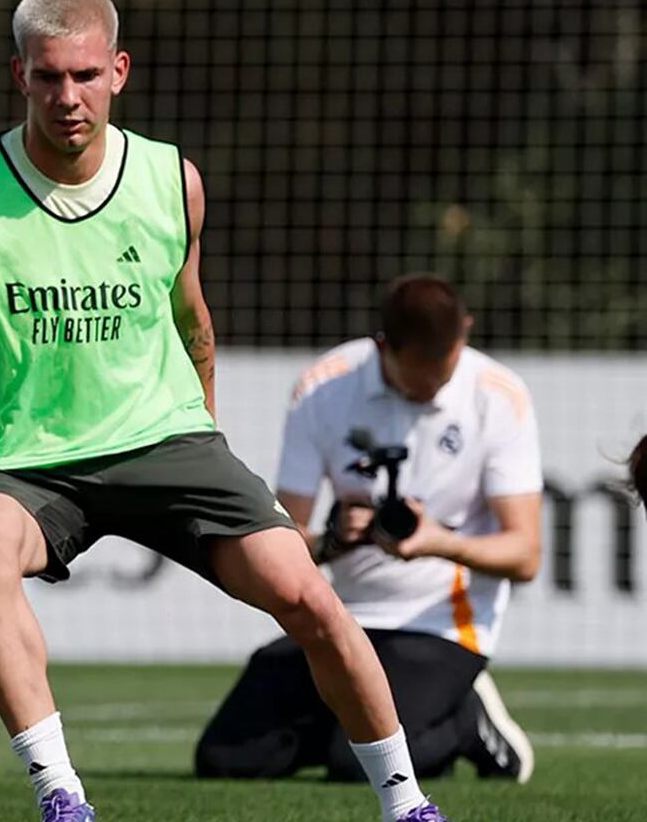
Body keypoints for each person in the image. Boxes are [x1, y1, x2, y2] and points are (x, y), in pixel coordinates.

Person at [0, 0, 450, 822]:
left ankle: (407, 803)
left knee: (310, 598)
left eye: (85, 75)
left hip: (169, 443)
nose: (67, 97)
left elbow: (193, 321)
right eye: (46, 78)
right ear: (18, 76)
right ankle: (61, 795)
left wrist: (203, 434)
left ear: (119, 72)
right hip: (32, 464)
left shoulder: (172, 180)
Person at [194, 274, 542, 786]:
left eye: (442, 374)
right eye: (418, 378)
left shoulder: (499, 396)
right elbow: (282, 540)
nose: (432, 389)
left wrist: (435, 543)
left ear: (465, 332)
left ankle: (469, 716)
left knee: (360, 766)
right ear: (384, 347)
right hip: (344, 620)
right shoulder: (324, 387)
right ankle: (351, 723)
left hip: (441, 626)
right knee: (226, 760)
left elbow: (526, 555)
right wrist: (334, 539)